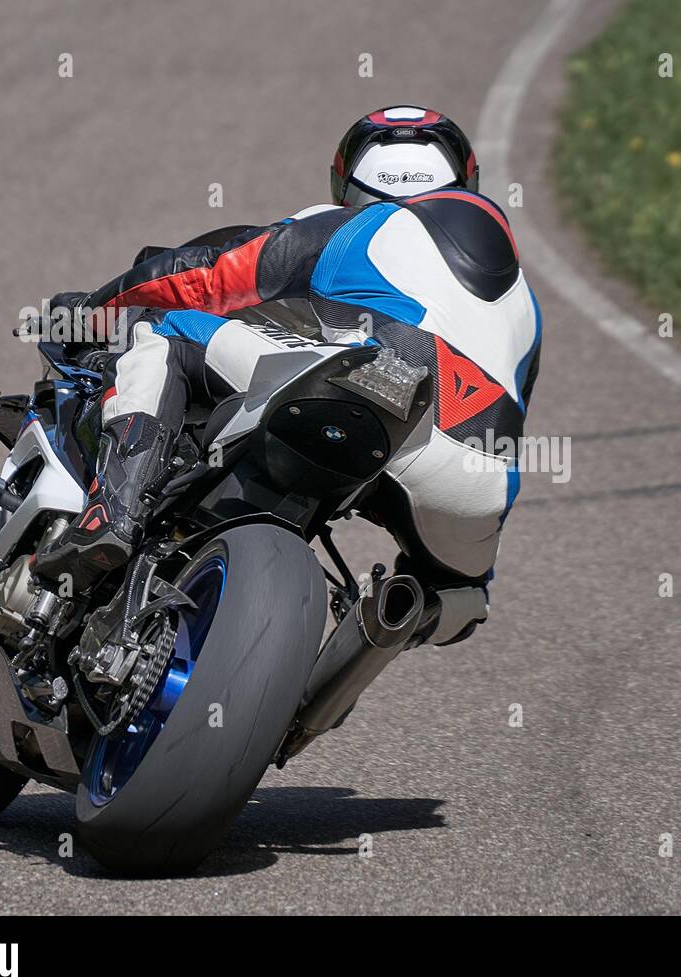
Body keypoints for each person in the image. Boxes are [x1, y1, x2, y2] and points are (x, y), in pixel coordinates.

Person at [31, 106, 541, 646]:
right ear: (468, 181)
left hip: (375, 384)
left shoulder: (353, 224)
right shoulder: (524, 305)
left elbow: (206, 275)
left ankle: (112, 513)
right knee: (450, 594)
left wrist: (86, 314)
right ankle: (352, 654)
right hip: (475, 481)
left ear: (349, 185)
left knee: (167, 332)